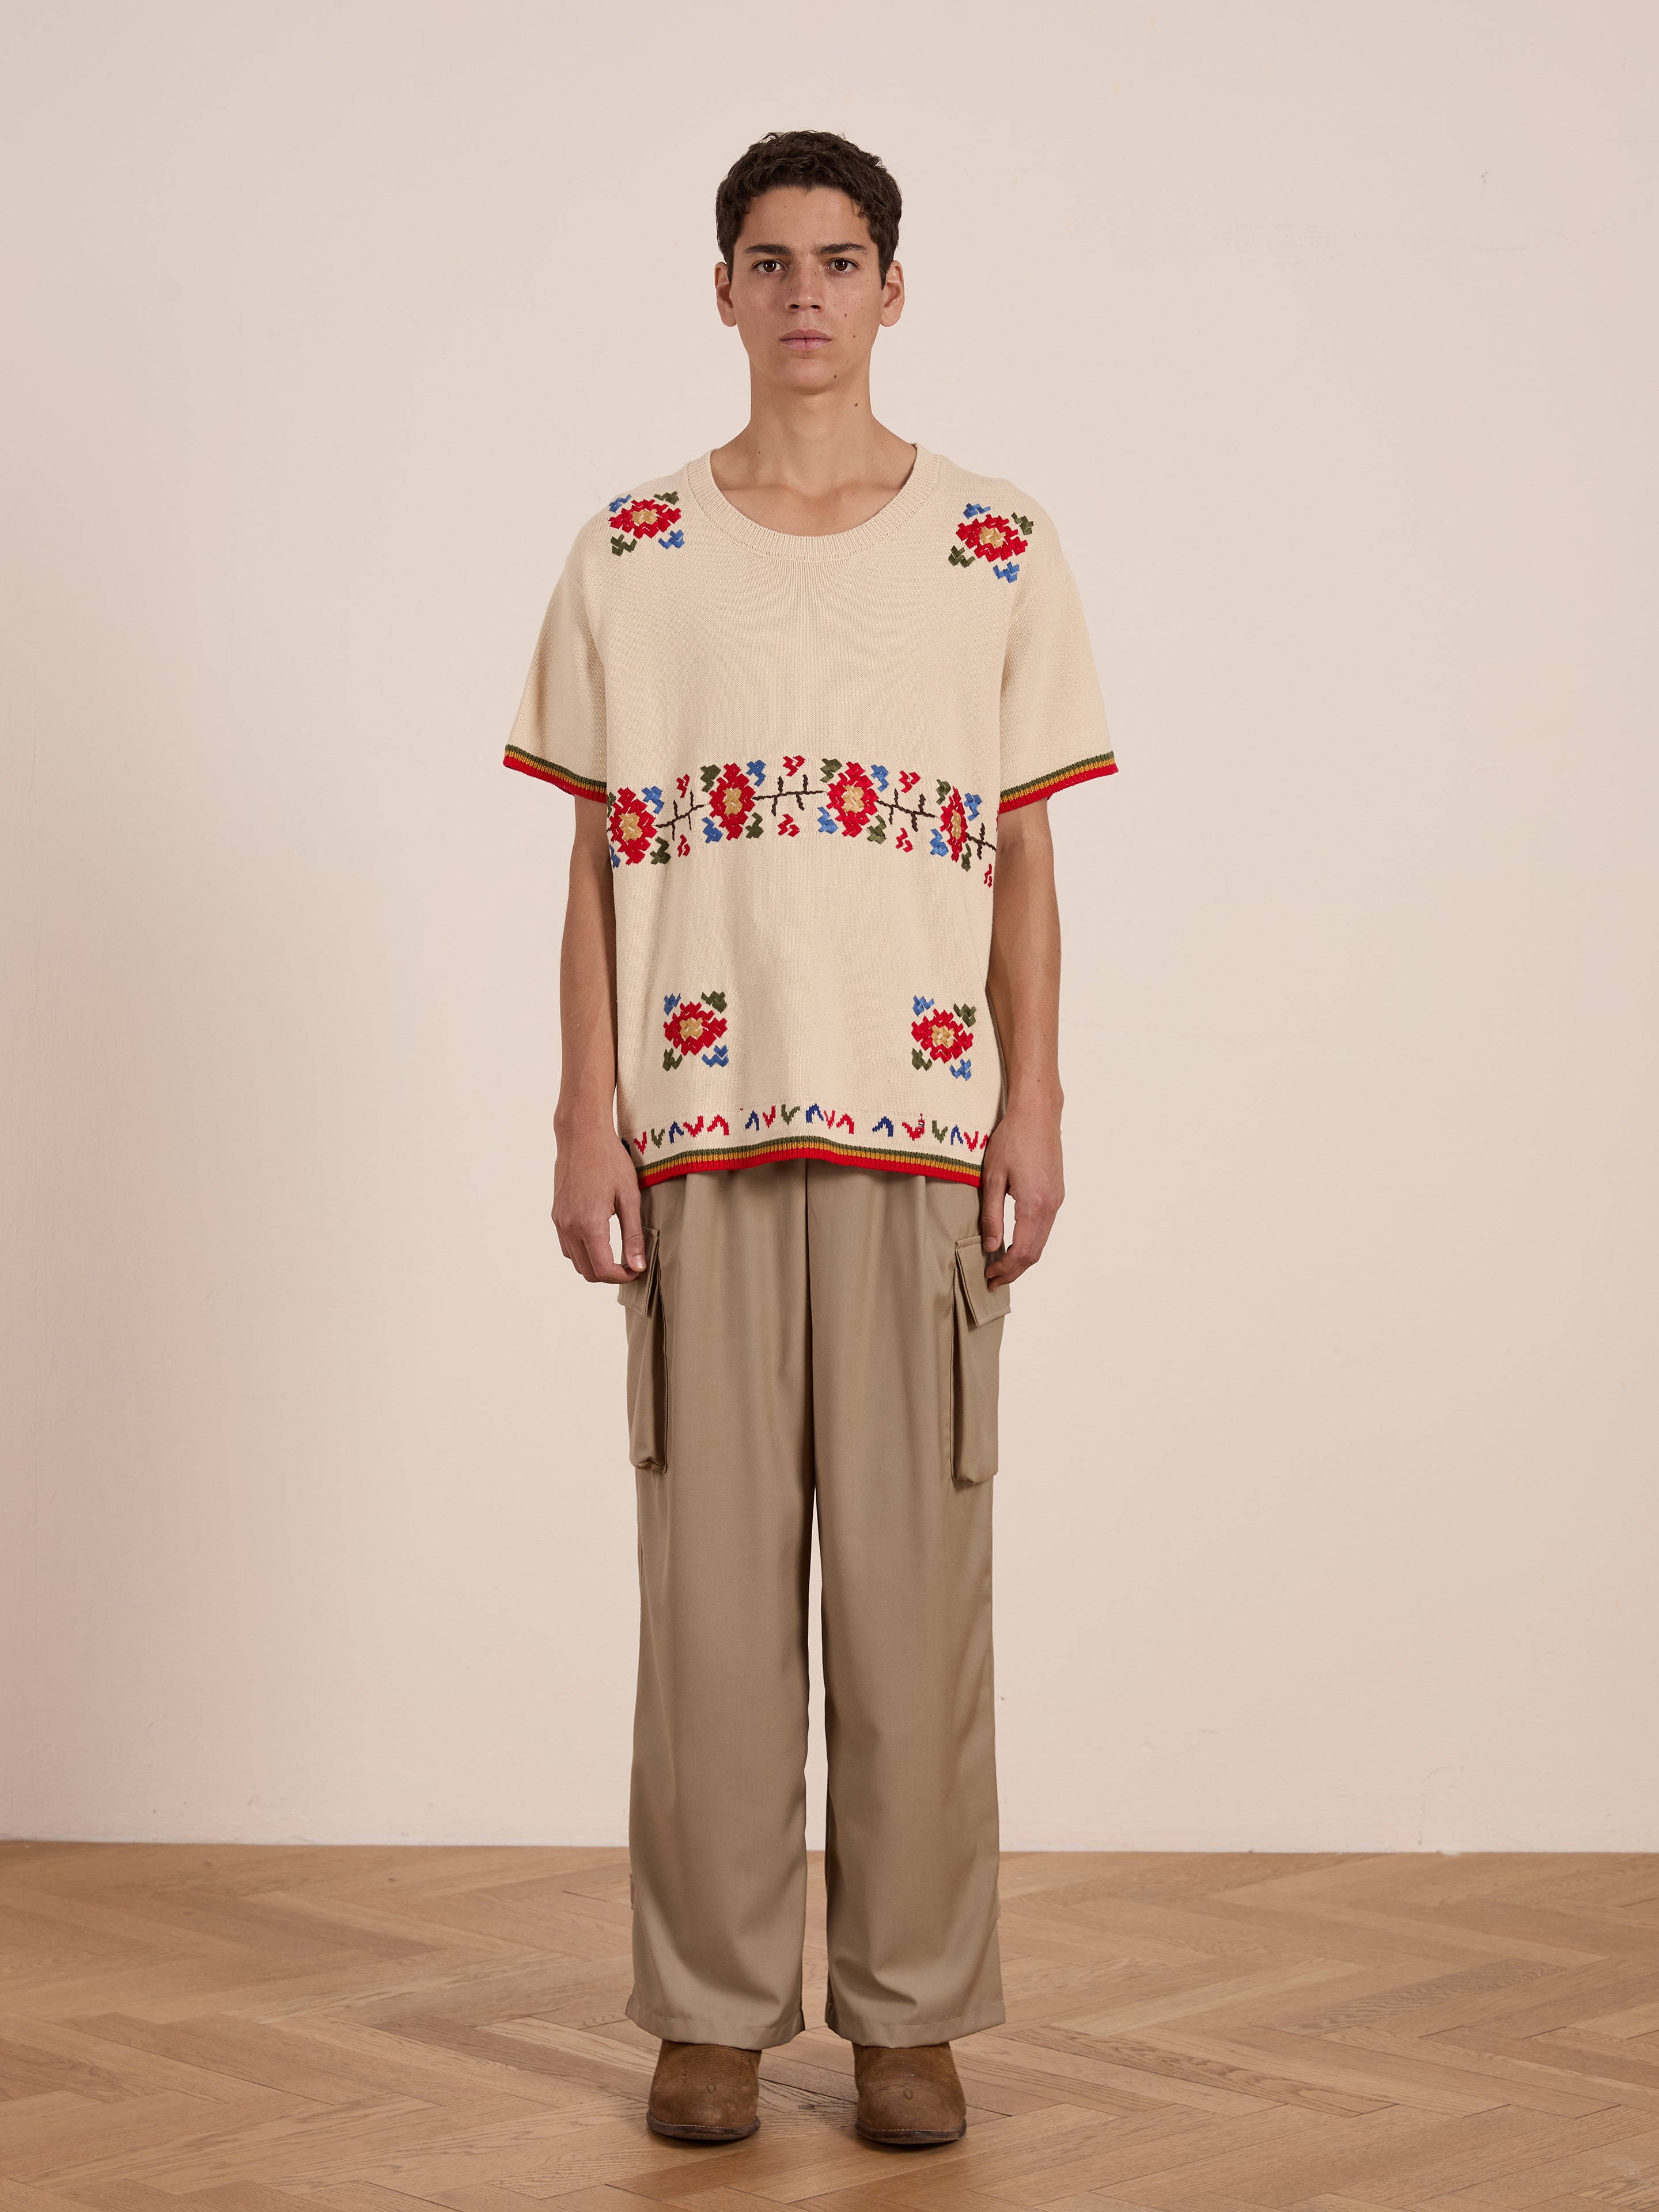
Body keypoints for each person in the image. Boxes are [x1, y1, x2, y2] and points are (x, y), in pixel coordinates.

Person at [503, 128, 1115, 2151]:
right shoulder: (632, 553)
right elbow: (594, 854)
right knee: (707, 1600)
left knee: (918, 1598)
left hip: (924, 1140)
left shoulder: (1000, 549)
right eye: (768, 260)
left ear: (892, 287)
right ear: (724, 289)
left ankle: (911, 2014)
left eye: (839, 259)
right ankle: (705, 2009)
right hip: (693, 1140)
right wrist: (588, 1107)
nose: (804, 295)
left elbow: (1025, 854)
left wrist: (1035, 1095)